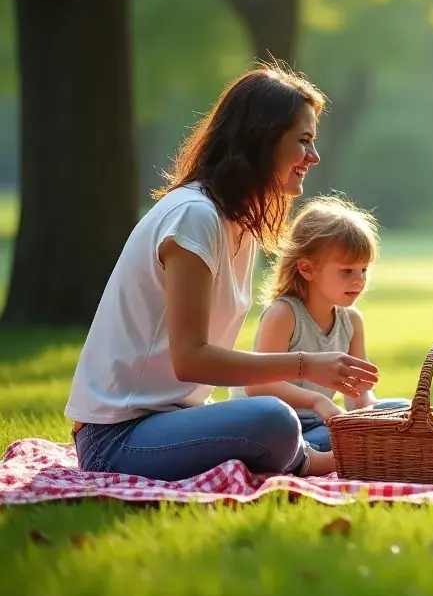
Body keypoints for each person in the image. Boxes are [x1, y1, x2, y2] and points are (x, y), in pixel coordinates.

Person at [66, 65, 379, 481]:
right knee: (274, 419)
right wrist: (306, 365)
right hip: (118, 438)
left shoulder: (238, 224)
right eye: (303, 141)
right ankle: (322, 461)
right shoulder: (194, 217)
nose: (313, 157)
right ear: (262, 139)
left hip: (177, 421)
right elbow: (190, 360)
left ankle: (350, 445)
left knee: (388, 413)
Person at [238, 195, 383, 455]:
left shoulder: (351, 321)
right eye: (346, 271)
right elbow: (258, 385)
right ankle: (311, 455)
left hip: (317, 425)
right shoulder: (284, 315)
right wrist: (316, 401)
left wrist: (370, 415)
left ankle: (329, 451)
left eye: (363, 270)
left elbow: (357, 393)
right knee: (320, 439)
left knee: (399, 411)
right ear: (307, 269)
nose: (359, 280)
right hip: (270, 424)